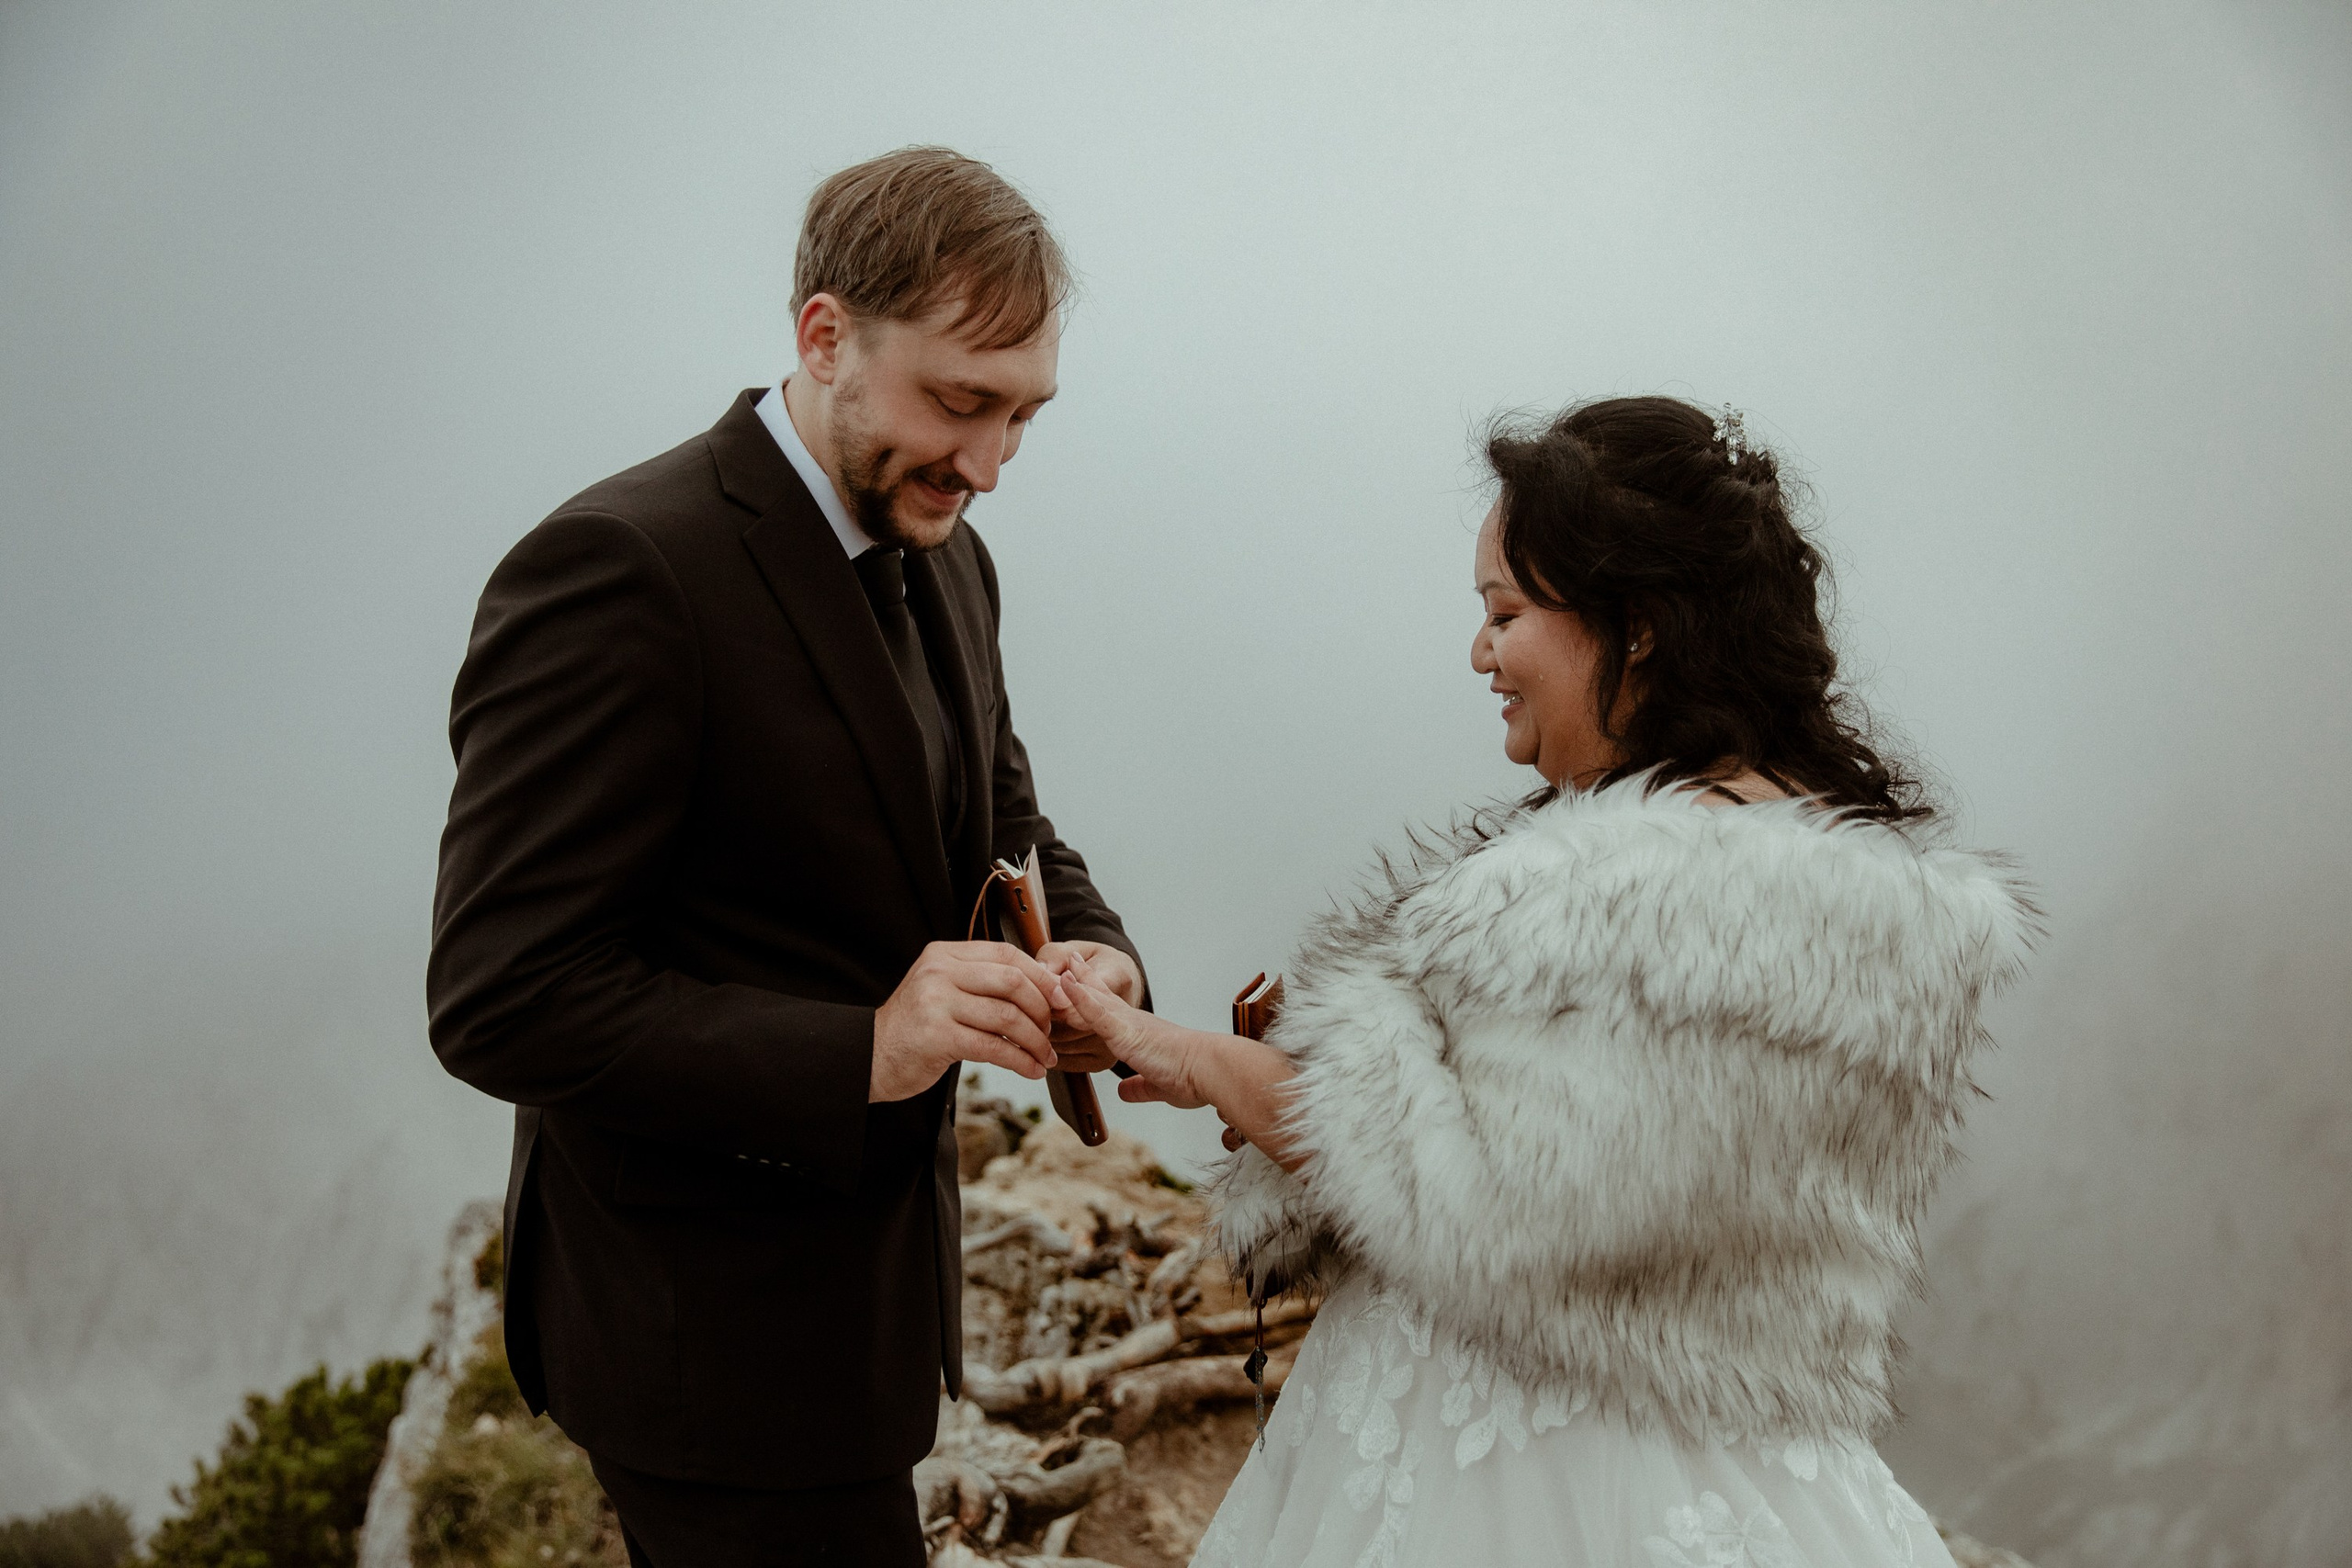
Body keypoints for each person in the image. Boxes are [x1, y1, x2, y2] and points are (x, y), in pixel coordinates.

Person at [1049, 396, 2037, 1567]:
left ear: (1638, 625)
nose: (1480, 653)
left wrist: (1198, 1056)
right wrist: (1256, 1078)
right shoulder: (1818, 883)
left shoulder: (1638, 890)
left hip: (1529, 1472)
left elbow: (1475, 1205)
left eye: (1505, 613)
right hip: (1729, 1454)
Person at [426, 147, 1147, 1567]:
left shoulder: (946, 550)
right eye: (960, 400)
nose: (993, 463)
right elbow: (501, 994)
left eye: (1025, 413)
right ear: (825, 337)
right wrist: (864, 1046)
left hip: (868, 1318)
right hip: (702, 1345)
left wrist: (1090, 940)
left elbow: (1004, 820)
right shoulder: (620, 568)